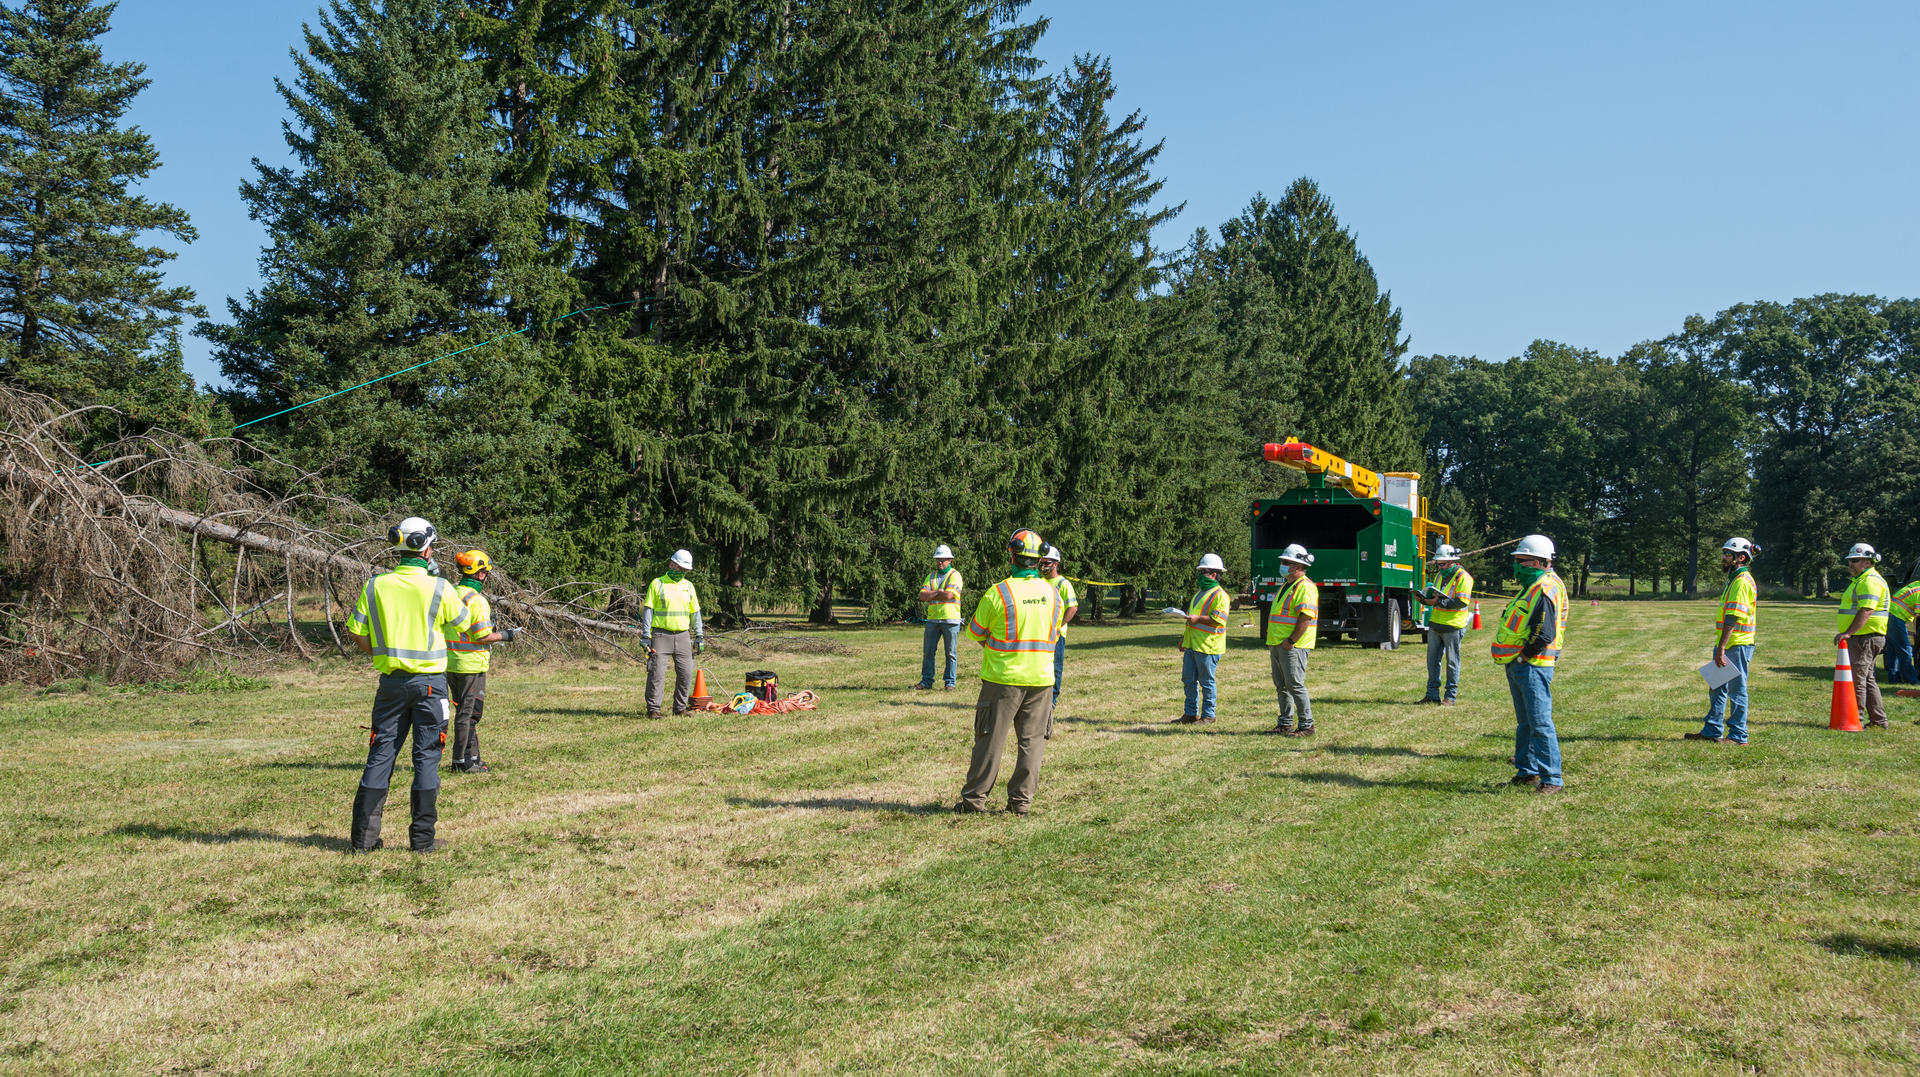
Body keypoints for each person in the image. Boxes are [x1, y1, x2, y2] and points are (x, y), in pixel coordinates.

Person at [346, 517, 476, 854]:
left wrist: (382, 653)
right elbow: (465, 624)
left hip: (390, 684)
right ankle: (422, 841)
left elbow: (356, 632)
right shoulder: (440, 587)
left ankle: (363, 841)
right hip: (430, 686)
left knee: (380, 756)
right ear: (427, 549)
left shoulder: (375, 585)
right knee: (427, 758)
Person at [956, 528, 1063, 815]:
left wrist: (995, 648)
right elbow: (1055, 633)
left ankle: (974, 801)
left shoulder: (999, 592)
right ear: (1039, 561)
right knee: (1032, 744)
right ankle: (1021, 804)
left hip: (1003, 680)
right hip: (1042, 680)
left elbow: (975, 631)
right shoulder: (1054, 594)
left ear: (1012, 557)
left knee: (990, 740)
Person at [1493, 534, 1568, 794]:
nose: (1516, 566)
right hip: (1522, 664)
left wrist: (1523, 656)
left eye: (1521, 561)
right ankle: (1527, 772)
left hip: (1533, 663)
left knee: (1540, 723)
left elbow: (1545, 633)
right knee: (1525, 723)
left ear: (1537, 562)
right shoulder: (1536, 584)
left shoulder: (1544, 587)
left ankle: (1552, 779)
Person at [444, 550, 522, 773]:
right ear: (480, 574)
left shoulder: (452, 594)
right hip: (470, 665)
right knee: (468, 714)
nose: (486, 576)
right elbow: (482, 636)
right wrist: (506, 635)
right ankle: (461, 762)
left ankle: (473, 757)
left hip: (451, 663)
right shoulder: (476, 601)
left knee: (468, 712)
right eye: (486, 572)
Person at [1687, 537, 1758, 745]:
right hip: (1728, 644)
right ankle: (1712, 730)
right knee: (1717, 686)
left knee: (1737, 691)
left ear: (1741, 557)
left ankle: (1738, 735)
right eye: (1724, 553)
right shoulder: (1734, 579)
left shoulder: (1742, 581)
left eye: (1728, 554)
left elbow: (1732, 617)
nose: (1723, 557)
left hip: (1737, 644)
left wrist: (1722, 648)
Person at [642, 549, 705, 720]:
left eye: (685, 570)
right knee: (656, 674)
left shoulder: (689, 586)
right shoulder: (657, 584)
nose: (682, 572)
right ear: (672, 564)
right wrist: (646, 636)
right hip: (661, 636)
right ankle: (653, 710)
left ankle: (680, 708)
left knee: (686, 673)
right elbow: (648, 611)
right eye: (680, 569)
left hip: (683, 636)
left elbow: (695, 613)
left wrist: (699, 635)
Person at [1264, 544, 1319, 736]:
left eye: (1287, 562)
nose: (1282, 565)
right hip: (1279, 643)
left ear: (1298, 566)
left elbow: (1306, 617)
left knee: (1295, 684)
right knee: (1282, 686)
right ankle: (1285, 723)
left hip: (1293, 645)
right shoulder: (1287, 586)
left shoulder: (1305, 587)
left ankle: (1306, 725)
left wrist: (1291, 641)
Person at [1835, 543, 1891, 729]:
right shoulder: (1863, 580)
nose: (1851, 564)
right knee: (1867, 680)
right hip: (1866, 637)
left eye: (1855, 560)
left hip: (1863, 638)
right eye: (1850, 560)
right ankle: (1878, 720)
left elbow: (1866, 610)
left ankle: (1855, 720)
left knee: (1857, 680)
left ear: (1868, 561)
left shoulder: (1869, 581)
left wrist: (1848, 633)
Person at [1172, 553, 1232, 725]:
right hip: (1193, 644)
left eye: (1203, 572)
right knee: (1189, 681)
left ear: (1214, 574)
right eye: (1199, 571)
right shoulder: (1199, 593)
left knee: (1206, 682)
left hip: (1208, 646)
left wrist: (1198, 618)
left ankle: (1208, 715)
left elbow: (1219, 619)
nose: (1200, 575)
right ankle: (1190, 714)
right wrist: (1184, 638)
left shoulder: (1220, 595)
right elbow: (1191, 619)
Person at [1416, 544, 1473, 706]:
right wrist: (1423, 599)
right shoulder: (1440, 576)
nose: (1439, 567)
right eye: (1438, 564)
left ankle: (1450, 697)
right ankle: (1432, 695)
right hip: (1436, 624)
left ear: (1451, 562)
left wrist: (1438, 602)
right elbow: (1436, 596)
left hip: (1453, 625)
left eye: (1442, 564)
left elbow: (1461, 602)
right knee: (1432, 661)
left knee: (1452, 662)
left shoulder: (1464, 577)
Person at [914, 544, 964, 691]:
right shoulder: (931, 576)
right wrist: (938, 592)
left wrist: (932, 594)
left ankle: (950, 683)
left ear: (950, 560)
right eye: (937, 559)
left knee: (950, 653)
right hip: (933, 620)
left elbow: (949, 595)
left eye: (942, 559)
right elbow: (922, 596)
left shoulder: (955, 575)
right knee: (928, 652)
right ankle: (926, 682)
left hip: (950, 619)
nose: (939, 562)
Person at [1040, 545, 1078, 706]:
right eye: (1041, 562)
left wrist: (1058, 626)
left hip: (1056, 635)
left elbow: (1072, 608)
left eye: (1046, 563)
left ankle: (1052, 699)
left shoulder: (1063, 584)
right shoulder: (1040, 582)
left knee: (1055, 666)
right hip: (1041, 632)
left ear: (1055, 564)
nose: (1043, 566)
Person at [1889, 572, 1920, 687]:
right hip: (1897, 618)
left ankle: (1894, 679)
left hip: (1891, 616)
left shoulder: (1916, 585)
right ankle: (1911, 679)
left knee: (1893, 651)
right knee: (1906, 649)